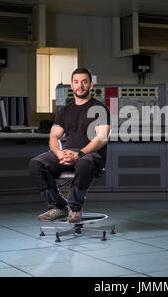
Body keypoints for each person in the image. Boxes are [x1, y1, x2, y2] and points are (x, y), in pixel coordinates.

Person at [29, 67, 111, 223]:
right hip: (68, 153)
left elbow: (102, 138)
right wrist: (59, 153)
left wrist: (79, 154)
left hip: (90, 156)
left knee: (85, 163)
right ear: (72, 85)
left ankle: (75, 208)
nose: (80, 85)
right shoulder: (65, 110)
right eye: (76, 82)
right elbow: (54, 135)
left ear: (91, 85)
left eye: (84, 82)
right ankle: (58, 206)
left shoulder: (100, 109)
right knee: (36, 164)